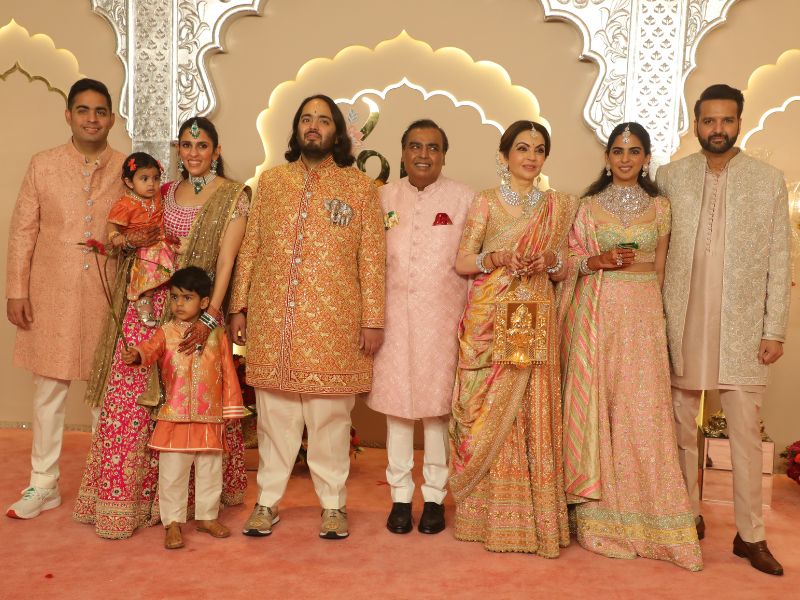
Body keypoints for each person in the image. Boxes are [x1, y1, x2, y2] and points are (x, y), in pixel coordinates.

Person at [73, 116, 250, 539]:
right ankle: (129, 501)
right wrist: (124, 241)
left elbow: (227, 260)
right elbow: (135, 236)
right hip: (151, 308)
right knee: (132, 402)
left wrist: (210, 316)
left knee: (195, 405)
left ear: (216, 151)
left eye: (202, 145)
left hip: (200, 311)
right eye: (186, 145)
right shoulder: (164, 191)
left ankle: (197, 506)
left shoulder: (234, 195)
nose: (193, 153)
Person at [229, 94, 385, 540]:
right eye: (306, 119)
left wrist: (373, 319)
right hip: (273, 318)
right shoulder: (272, 182)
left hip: (334, 323)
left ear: (337, 132)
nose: (313, 126)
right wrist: (239, 306)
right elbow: (251, 246)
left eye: (323, 120)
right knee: (274, 419)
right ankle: (267, 501)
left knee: (329, 420)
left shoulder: (360, 188)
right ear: (297, 129)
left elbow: (373, 259)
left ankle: (333, 505)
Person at [657, 84, 791, 576]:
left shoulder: (767, 180)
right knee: (680, 428)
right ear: (696, 123)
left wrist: (774, 329)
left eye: (726, 120)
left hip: (741, 326)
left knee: (745, 438)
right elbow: (656, 248)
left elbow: (781, 257)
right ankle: (685, 515)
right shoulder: (670, 177)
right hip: (683, 319)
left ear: (739, 122)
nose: (718, 129)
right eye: (709, 120)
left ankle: (750, 534)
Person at [560, 122, 702, 571]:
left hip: (643, 315)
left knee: (643, 411)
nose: (625, 158)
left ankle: (654, 518)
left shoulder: (660, 207)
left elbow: (661, 271)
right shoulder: (586, 207)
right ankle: (601, 516)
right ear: (607, 157)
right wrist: (595, 261)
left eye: (634, 151)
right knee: (603, 406)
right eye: (618, 151)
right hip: (599, 312)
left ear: (645, 158)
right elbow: (568, 262)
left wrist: (659, 324)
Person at [5, 78, 135, 519]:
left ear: (112, 118)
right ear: (68, 115)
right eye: (83, 110)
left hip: (106, 294)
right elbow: (23, 231)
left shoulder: (127, 169)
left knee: (105, 394)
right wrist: (17, 290)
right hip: (51, 293)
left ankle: (104, 486)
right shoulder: (43, 165)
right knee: (49, 390)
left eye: (100, 111)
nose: (91, 119)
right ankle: (43, 484)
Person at [448, 120, 578, 556]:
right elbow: (463, 261)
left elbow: (566, 267)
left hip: (531, 312)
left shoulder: (559, 206)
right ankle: (484, 514)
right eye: (522, 148)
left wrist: (549, 260)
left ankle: (531, 516)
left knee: (529, 406)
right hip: (491, 314)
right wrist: (497, 257)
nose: (531, 157)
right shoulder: (486, 201)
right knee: (487, 410)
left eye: (539, 150)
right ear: (504, 156)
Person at [366, 119, 472, 535]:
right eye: (415, 146)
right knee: (397, 411)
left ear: (444, 155)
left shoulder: (464, 199)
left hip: (445, 322)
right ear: (403, 152)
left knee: (437, 413)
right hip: (392, 321)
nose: (423, 155)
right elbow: (368, 261)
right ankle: (399, 498)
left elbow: (475, 262)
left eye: (432, 147)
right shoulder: (383, 198)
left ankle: (433, 499)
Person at [121, 267, 245, 549]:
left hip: (209, 416)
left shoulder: (217, 335)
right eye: (175, 297)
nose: (179, 304)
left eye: (187, 298)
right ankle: (173, 523)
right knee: (173, 473)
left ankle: (207, 517)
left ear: (204, 302)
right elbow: (149, 349)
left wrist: (231, 409)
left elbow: (228, 372)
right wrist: (136, 354)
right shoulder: (166, 332)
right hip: (174, 415)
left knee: (210, 470)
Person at [108, 152, 175, 327]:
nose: (151, 184)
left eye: (156, 178)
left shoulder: (158, 196)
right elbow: (112, 225)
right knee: (148, 257)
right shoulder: (126, 204)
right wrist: (117, 238)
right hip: (140, 248)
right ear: (129, 182)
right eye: (144, 179)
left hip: (160, 242)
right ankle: (145, 298)